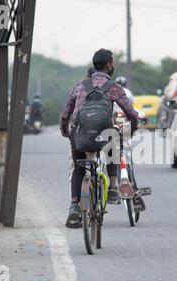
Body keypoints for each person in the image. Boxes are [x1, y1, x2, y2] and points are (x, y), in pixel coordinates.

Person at [60, 48, 140, 228]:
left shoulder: (80, 85)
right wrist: (133, 130)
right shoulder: (114, 87)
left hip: (79, 135)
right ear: (109, 65)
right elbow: (131, 114)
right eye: (114, 62)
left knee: (79, 168)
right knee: (114, 141)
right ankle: (112, 188)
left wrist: (66, 132)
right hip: (104, 136)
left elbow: (65, 114)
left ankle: (74, 205)